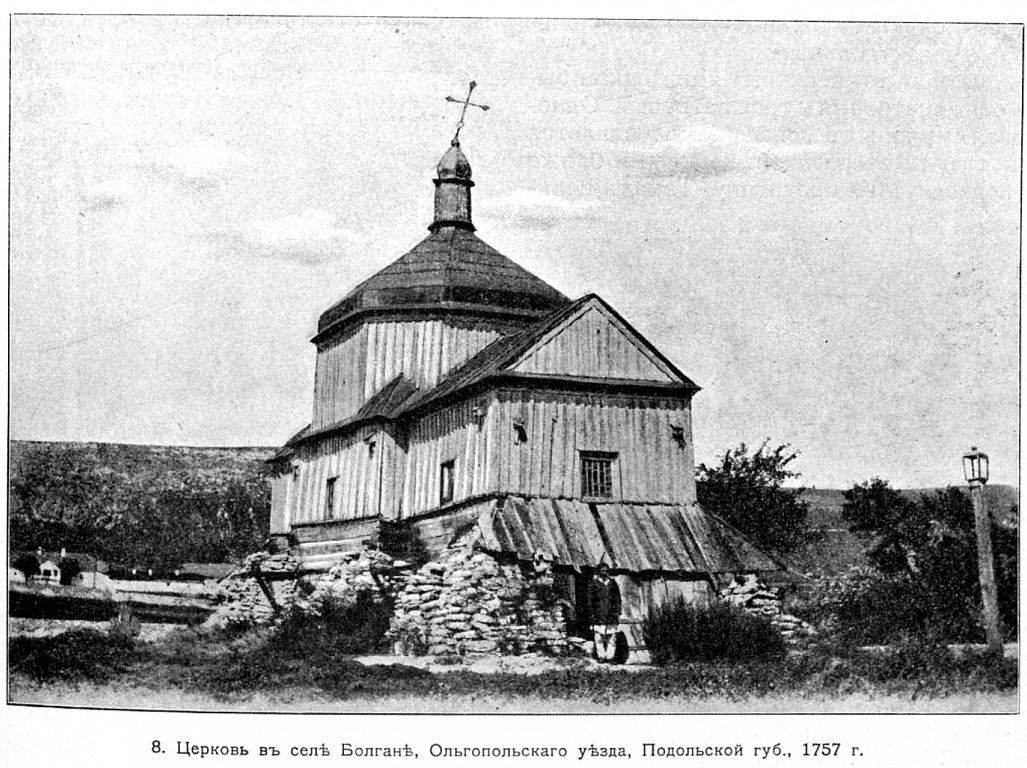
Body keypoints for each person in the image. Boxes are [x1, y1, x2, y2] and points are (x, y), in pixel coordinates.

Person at [588, 561, 622, 663]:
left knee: (611, 637)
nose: (604, 573)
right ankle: (601, 656)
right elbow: (590, 600)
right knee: (598, 636)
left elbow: (617, 598)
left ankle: (610, 657)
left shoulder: (612, 583)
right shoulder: (594, 584)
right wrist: (592, 613)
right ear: (598, 572)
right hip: (599, 614)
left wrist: (618, 611)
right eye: (602, 571)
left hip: (611, 614)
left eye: (606, 571)